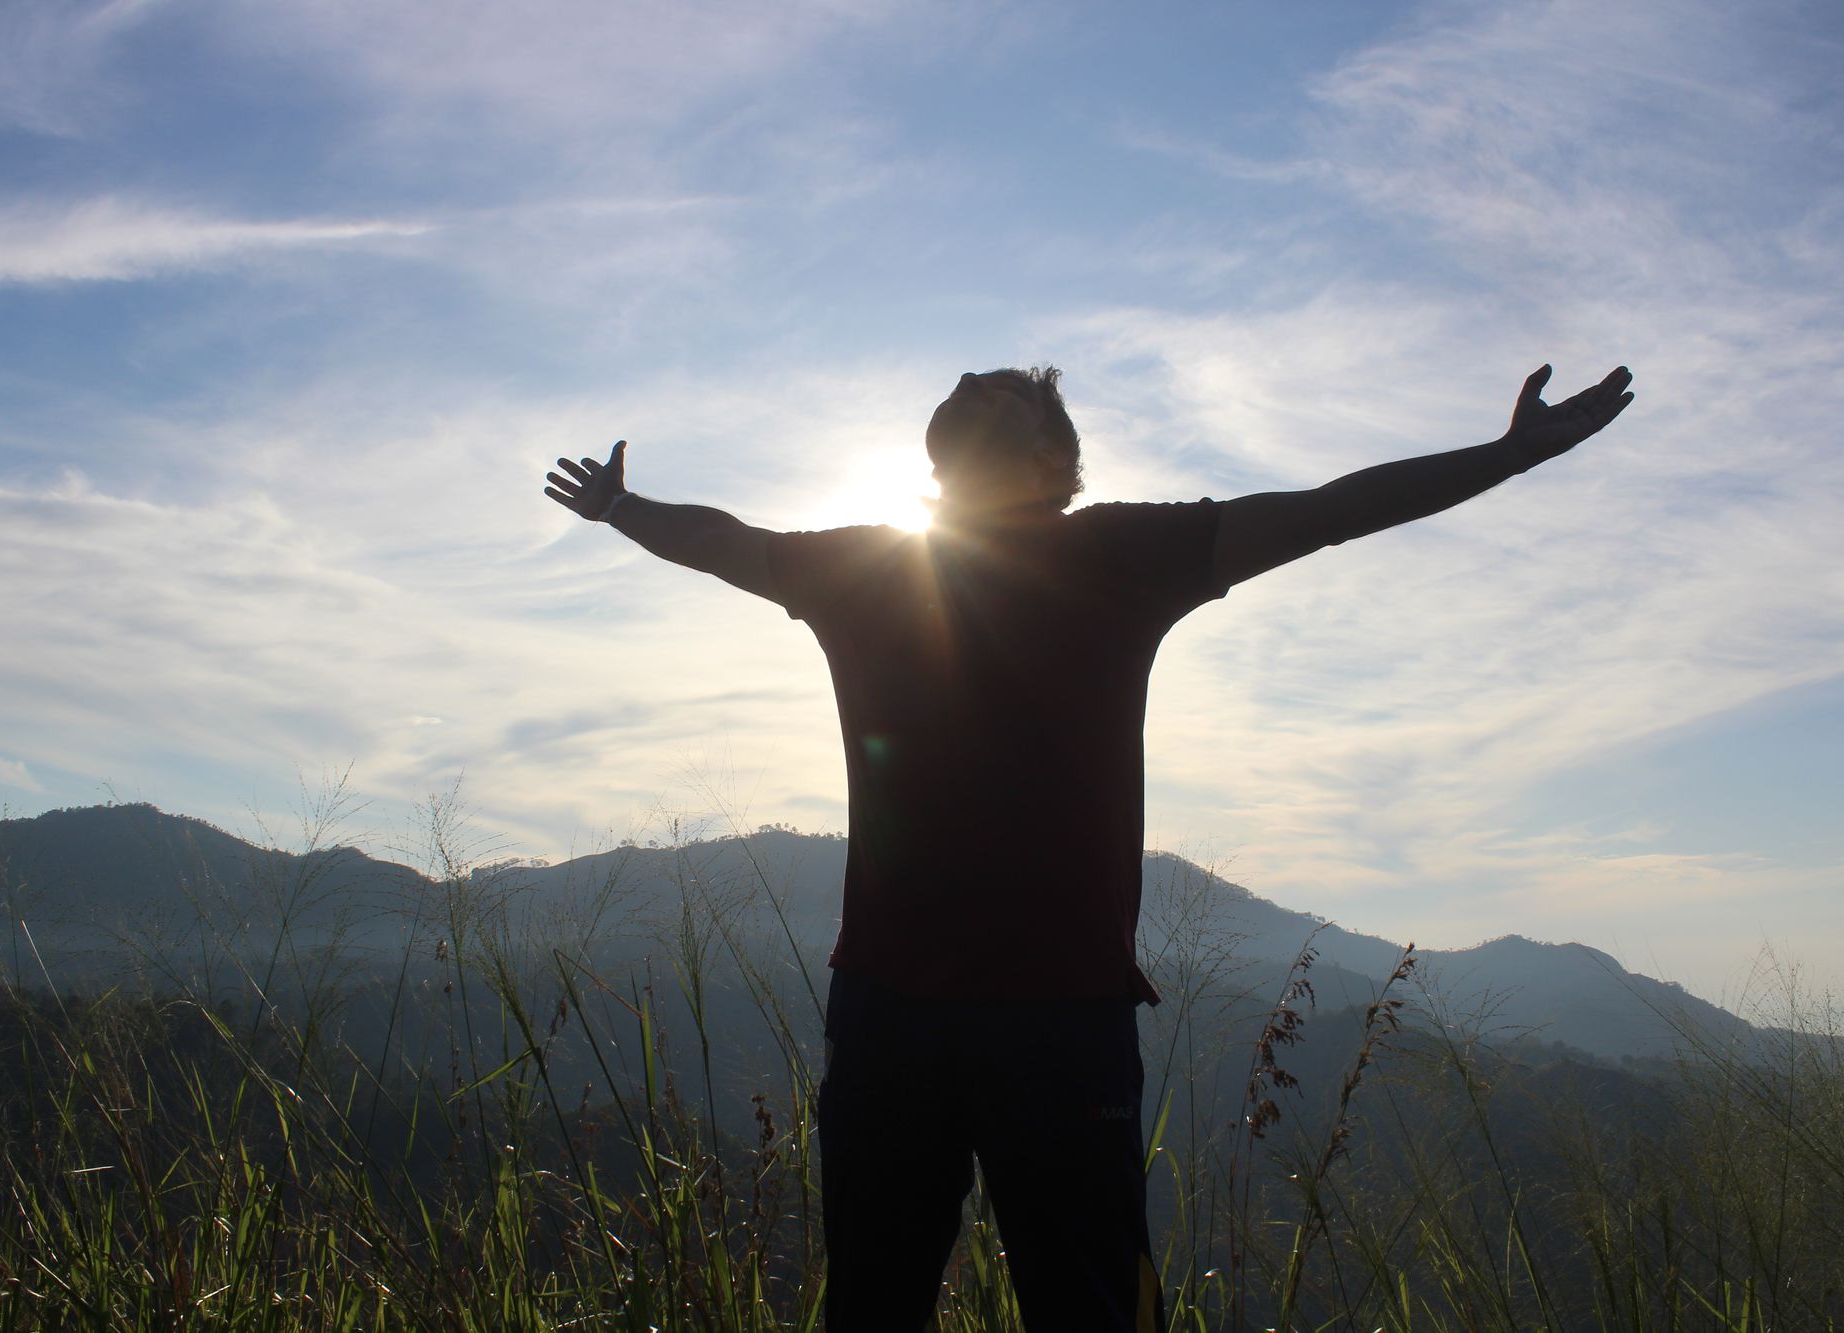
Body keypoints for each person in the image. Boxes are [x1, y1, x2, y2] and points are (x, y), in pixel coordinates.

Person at [544, 361, 1634, 1330]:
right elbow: (729, 543)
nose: (977, 388)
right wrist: (623, 507)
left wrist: (1506, 457)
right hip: (893, 1016)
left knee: (1090, 1305)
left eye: (1007, 398)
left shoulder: (1119, 552)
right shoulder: (863, 566)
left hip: (1053, 1020)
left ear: (1051, 456)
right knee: (875, 1300)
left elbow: (1327, 512)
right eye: (967, 393)